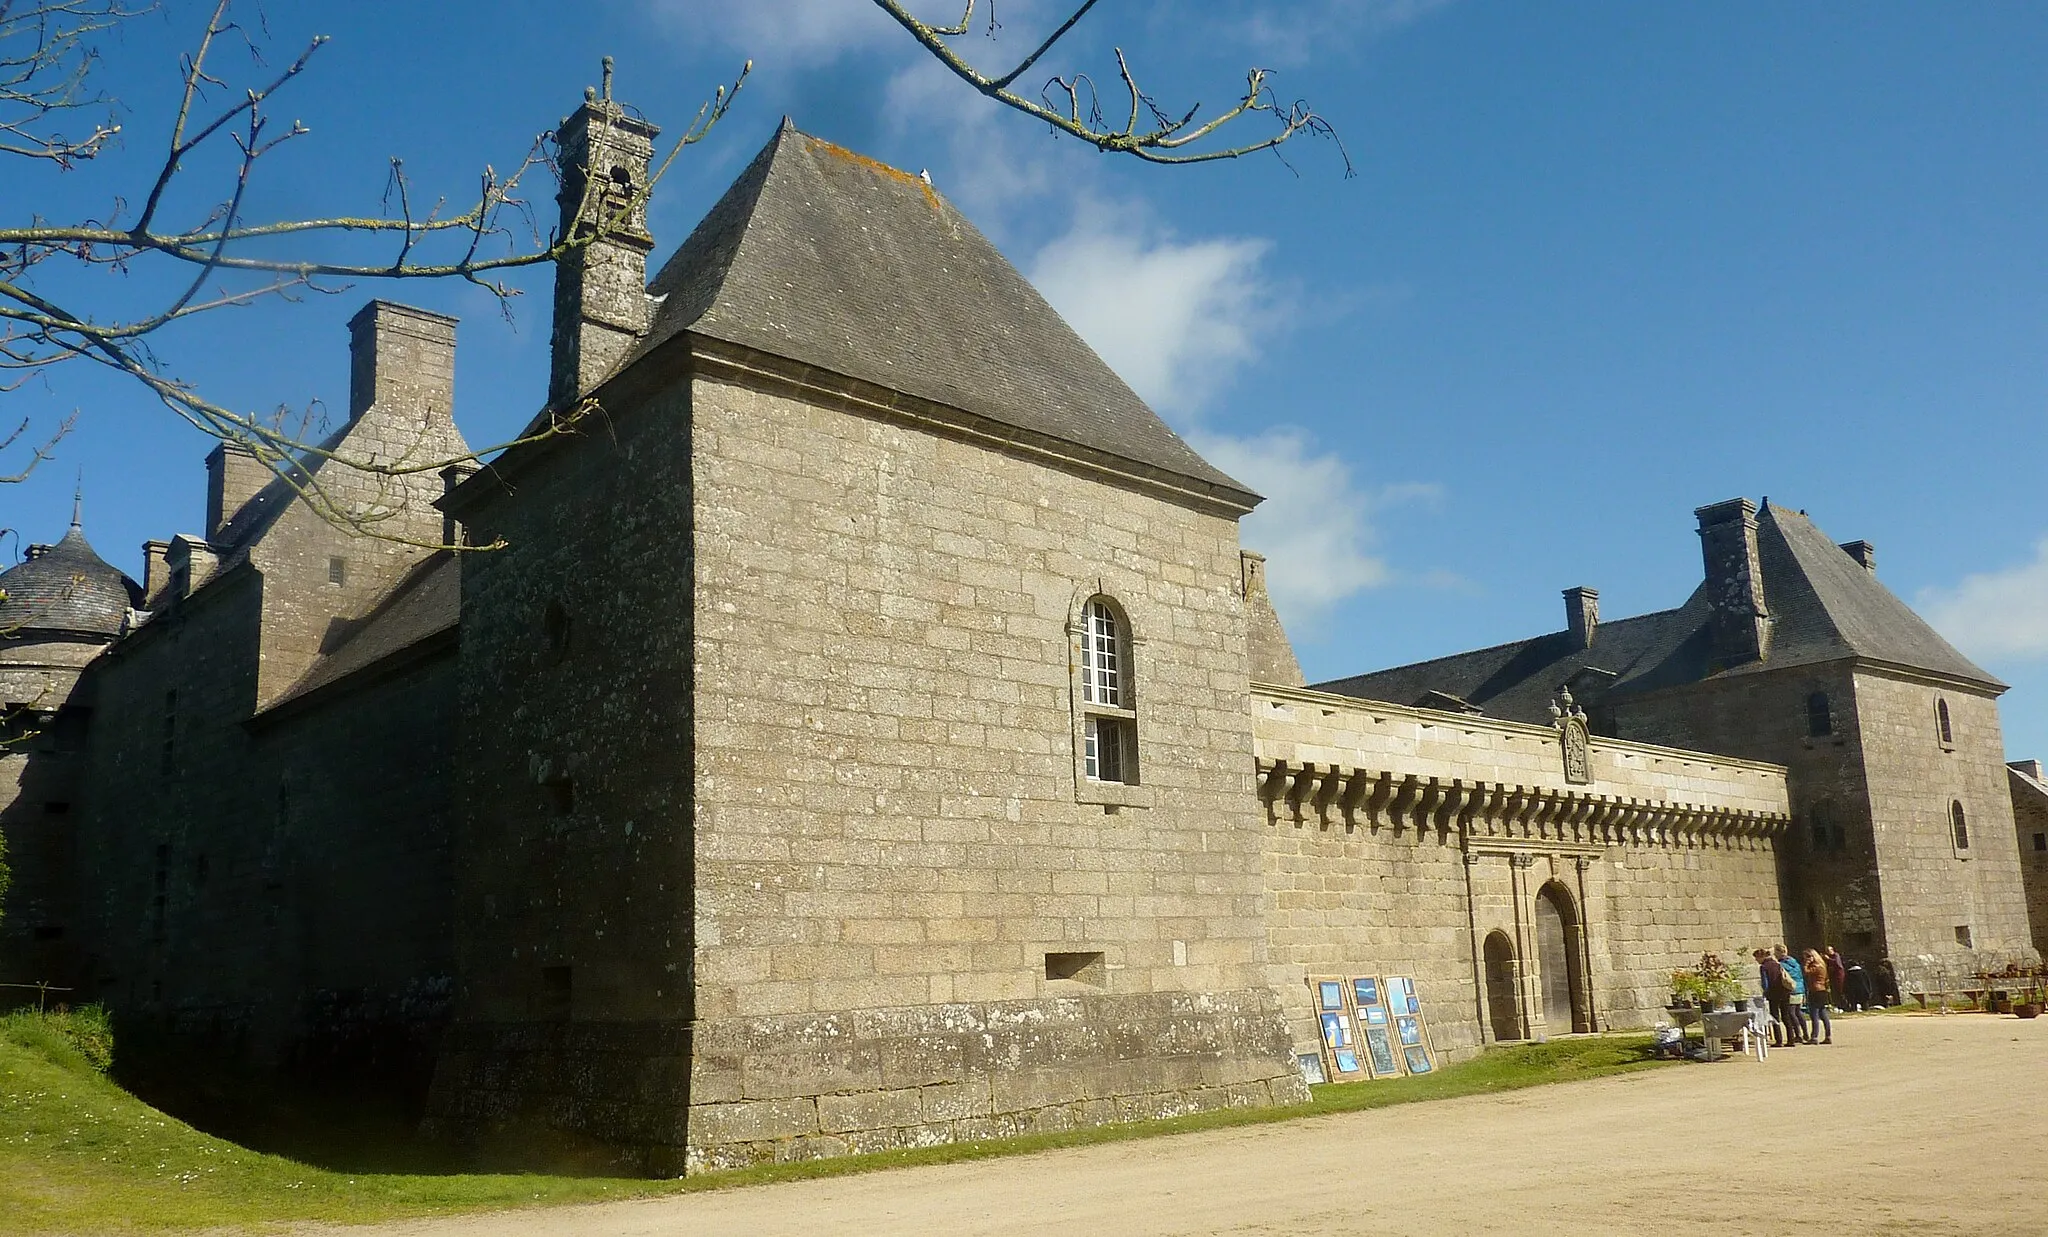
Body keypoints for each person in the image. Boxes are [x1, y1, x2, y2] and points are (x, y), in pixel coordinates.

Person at [1756, 948, 1797, 1047]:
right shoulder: (1777, 964)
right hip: (1784, 992)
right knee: (1786, 1016)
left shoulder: (1764, 967)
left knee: (1775, 1017)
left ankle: (1779, 1040)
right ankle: (1791, 1039)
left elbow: (1765, 983)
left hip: (1773, 994)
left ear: (1761, 957)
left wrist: (1765, 993)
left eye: (1757, 958)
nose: (1756, 961)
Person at [1775, 945, 1809, 1043]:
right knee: (1798, 1012)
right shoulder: (1795, 962)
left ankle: (1798, 1034)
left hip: (1791, 989)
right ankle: (1805, 1033)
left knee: (1791, 1013)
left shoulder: (1782, 964)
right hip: (1800, 988)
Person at [1803, 947, 1834, 1044]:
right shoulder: (1822, 964)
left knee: (1814, 1014)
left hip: (1816, 990)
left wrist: (1807, 963)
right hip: (1822, 990)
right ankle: (1828, 1035)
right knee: (1823, 1014)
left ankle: (1814, 1037)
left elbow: (1806, 972)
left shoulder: (1816, 966)